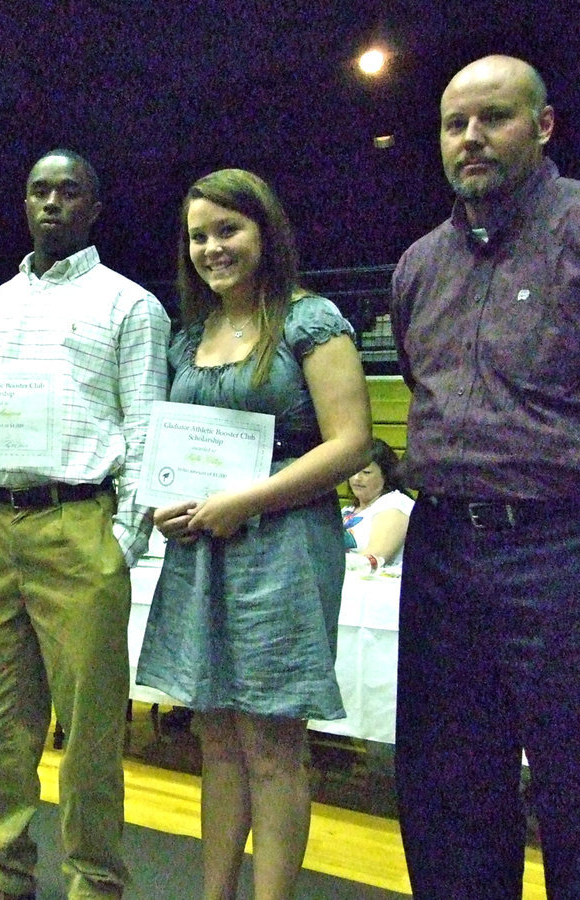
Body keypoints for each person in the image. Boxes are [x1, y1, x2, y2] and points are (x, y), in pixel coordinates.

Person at [0, 150, 170, 900]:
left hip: (78, 525)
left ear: (95, 208)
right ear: (23, 204)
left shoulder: (130, 305)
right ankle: (3, 870)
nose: (51, 203)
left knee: (88, 730)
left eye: (69, 191)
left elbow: (145, 428)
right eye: (38, 191)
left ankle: (93, 879)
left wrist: (123, 542)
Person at [390, 55, 580, 899]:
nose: (472, 138)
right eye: (456, 125)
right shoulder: (419, 264)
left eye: (494, 118)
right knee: (448, 788)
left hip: (575, 547)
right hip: (447, 545)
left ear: (545, 125)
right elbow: (422, 387)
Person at [136, 169, 372, 900]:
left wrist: (247, 500)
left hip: (285, 546)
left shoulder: (311, 320)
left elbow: (353, 442)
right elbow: (169, 450)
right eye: (199, 235)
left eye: (228, 230)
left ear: (265, 231)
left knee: (272, 745)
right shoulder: (187, 338)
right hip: (203, 547)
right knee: (216, 739)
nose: (213, 247)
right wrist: (160, 504)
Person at [341, 437, 413, 572]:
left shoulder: (395, 504)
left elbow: (373, 559)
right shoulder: (348, 510)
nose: (357, 478)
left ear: (385, 475)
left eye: (366, 472)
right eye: (353, 471)